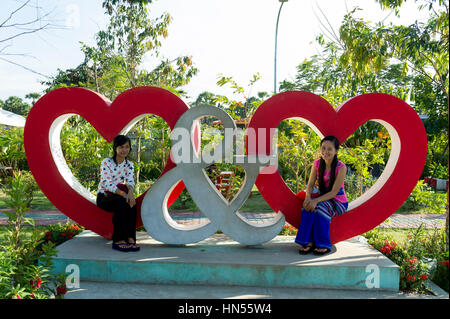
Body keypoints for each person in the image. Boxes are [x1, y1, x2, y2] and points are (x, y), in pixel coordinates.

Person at [295, 135, 348, 255]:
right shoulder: (317, 164)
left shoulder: (341, 167)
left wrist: (316, 201)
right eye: (323, 148)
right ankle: (307, 242)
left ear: (336, 151)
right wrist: (308, 198)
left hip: (338, 202)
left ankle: (323, 243)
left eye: (329, 149)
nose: (325, 152)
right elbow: (310, 185)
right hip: (322, 198)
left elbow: (334, 192)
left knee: (320, 208)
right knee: (308, 206)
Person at [96, 135, 139, 252]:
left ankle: (130, 237)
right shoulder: (106, 162)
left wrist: (130, 194)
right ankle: (118, 240)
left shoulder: (129, 164)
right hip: (105, 196)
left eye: (127, 147)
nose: (124, 150)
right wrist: (124, 195)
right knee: (121, 202)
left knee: (132, 203)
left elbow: (130, 180)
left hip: (119, 194)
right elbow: (107, 184)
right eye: (121, 147)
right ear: (115, 148)